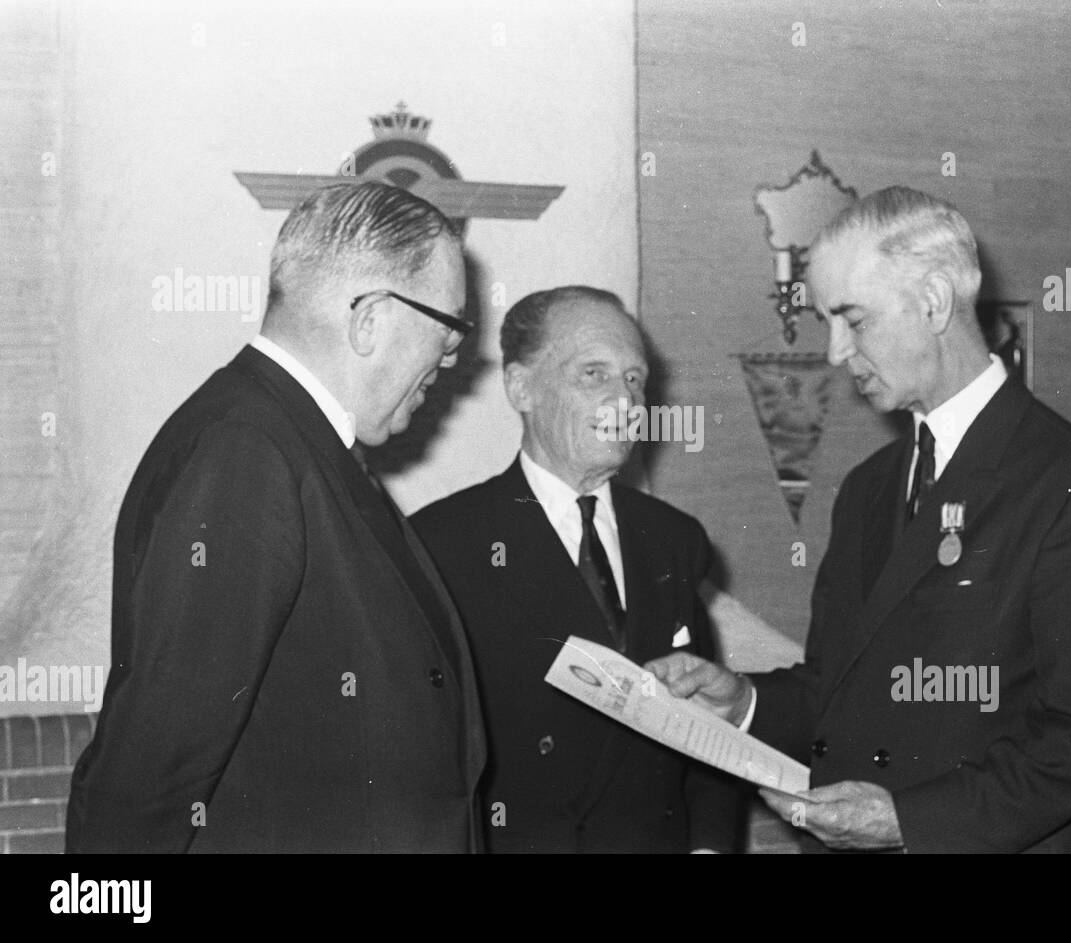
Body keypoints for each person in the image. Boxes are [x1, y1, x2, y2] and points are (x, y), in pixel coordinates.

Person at [649, 186, 1071, 853]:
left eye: (853, 320)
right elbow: (841, 685)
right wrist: (743, 704)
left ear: (935, 301)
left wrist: (909, 820)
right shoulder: (869, 488)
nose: (833, 352)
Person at [66, 181, 486, 853]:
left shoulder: (291, 440)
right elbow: (154, 766)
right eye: (451, 325)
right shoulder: (246, 453)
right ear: (370, 317)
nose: (455, 354)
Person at [412, 286, 746, 853]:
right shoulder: (442, 544)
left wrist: (709, 847)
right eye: (594, 374)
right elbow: (421, 765)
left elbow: (705, 728)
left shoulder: (673, 539)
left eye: (635, 379)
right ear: (521, 388)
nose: (625, 401)